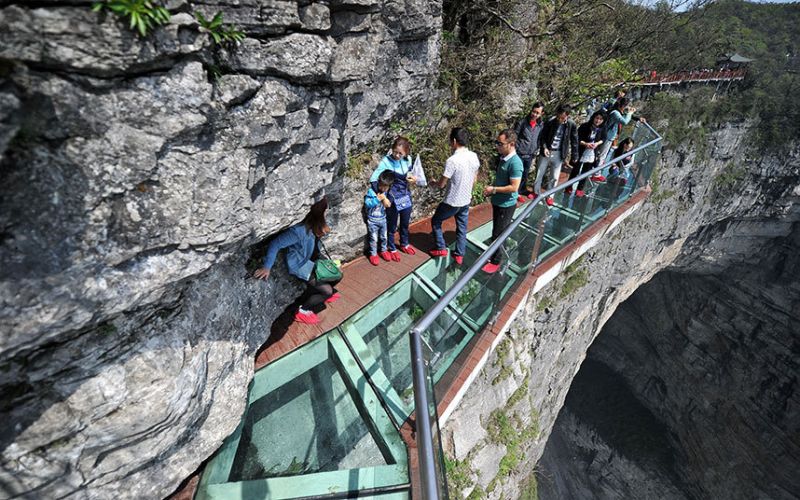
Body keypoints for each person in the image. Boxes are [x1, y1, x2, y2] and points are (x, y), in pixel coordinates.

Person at [254, 197, 341, 325]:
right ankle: (303, 310)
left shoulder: (314, 225)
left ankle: (321, 296)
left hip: (308, 259)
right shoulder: (298, 232)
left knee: (337, 274)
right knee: (327, 291)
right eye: (326, 210)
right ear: (319, 214)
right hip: (299, 265)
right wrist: (267, 267)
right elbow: (275, 244)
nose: (328, 211)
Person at [430, 127, 480, 266]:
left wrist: (433, 183)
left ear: (454, 141)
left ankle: (441, 247)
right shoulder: (474, 156)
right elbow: (474, 179)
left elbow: (441, 184)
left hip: (452, 201)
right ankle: (459, 254)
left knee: (436, 221)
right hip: (465, 200)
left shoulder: (452, 160)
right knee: (462, 227)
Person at [481, 129, 523, 274]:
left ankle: (496, 260)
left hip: (506, 204)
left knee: (500, 233)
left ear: (511, 144)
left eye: (500, 143)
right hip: (499, 202)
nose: (497, 146)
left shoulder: (515, 163)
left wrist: (494, 189)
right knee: (496, 230)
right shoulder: (504, 158)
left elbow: (514, 187)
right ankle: (494, 254)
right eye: (497, 142)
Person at [370, 136, 417, 261]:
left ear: (406, 152)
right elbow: (374, 179)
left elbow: (410, 173)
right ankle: (391, 247)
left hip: (406, 195)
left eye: (400, 153)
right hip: (393, 197)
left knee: (405, 223)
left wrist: (413, 179)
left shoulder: (408, 160)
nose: (396, 155)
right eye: (395, 151)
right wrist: (382, 196)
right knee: (391, 226)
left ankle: (404, 243)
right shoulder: (386, 161)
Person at [534, 104, 579, 206]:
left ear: (567, 115)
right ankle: (536, 193)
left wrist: (575, 155)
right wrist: (544, 147)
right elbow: (543, 136)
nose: (559, 119)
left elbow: (574, 140)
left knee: (554, 176)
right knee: (539, 173)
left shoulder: (571, 125)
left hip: (559, 153)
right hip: (547, 151)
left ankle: (550, 196)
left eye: (562, 117)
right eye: (558, 116)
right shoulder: (551, 121)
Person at [566, 110, 607, 197]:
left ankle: (580, 188)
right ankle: (569, 186)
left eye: (600, 119)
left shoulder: (602, 129)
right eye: (597, 118)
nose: (598, 121)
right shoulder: (585, 126)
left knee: (586, 170)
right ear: (593, 117)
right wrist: (585, 144)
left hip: (592, 152)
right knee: (576, 169)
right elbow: (577, 138)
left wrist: (596, 144)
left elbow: (603, 138)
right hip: (582, 150)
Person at [596, 97, 645, 167]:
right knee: (602, 155)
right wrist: (630, 113)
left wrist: (637, 118)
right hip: (607, 136)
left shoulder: (616, 110)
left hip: (608, 136)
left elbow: (624, 115)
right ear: (623, 105)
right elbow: (624, 121)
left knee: (602, 154)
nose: (628, 108)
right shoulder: (615, 113)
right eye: (627, 106)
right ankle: (596, 173)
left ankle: (595, 169)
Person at [514, 102, 545, 201]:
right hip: (519, 152)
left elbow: (540, 138)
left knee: (525, 174)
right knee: (517, 174)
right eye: (534, 111)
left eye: (537, 113)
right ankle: (515, 193)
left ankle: (521, 190)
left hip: (530, 153)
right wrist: (516, 148)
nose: (535, 114)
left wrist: (538, 148)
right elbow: (515, 136)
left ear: (541, 114)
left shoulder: (540, 125)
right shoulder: (522, 122)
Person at [364, 171, 394, 266]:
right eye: (381, 186)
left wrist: (384, 199)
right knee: (374, 238)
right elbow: (367, 204)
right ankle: (373, 254)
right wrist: (377, 199)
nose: (383, 189)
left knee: (384, 237)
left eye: (386, 187)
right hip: (373, 221)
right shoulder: (371, 192)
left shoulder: (387, 193)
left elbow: (388, 205)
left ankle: (383, 250)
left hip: (383, 220)